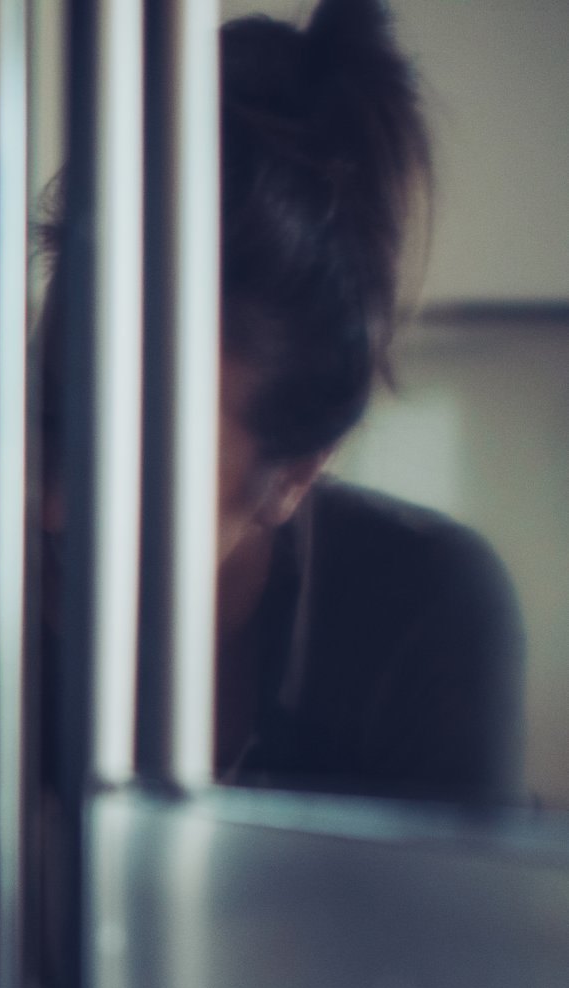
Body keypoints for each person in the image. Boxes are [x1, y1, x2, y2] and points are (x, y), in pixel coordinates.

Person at [204, 0, 522, 801]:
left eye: (146, 465)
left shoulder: (421, 616)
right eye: (55, 410)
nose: (57, 507)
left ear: (294, 474)